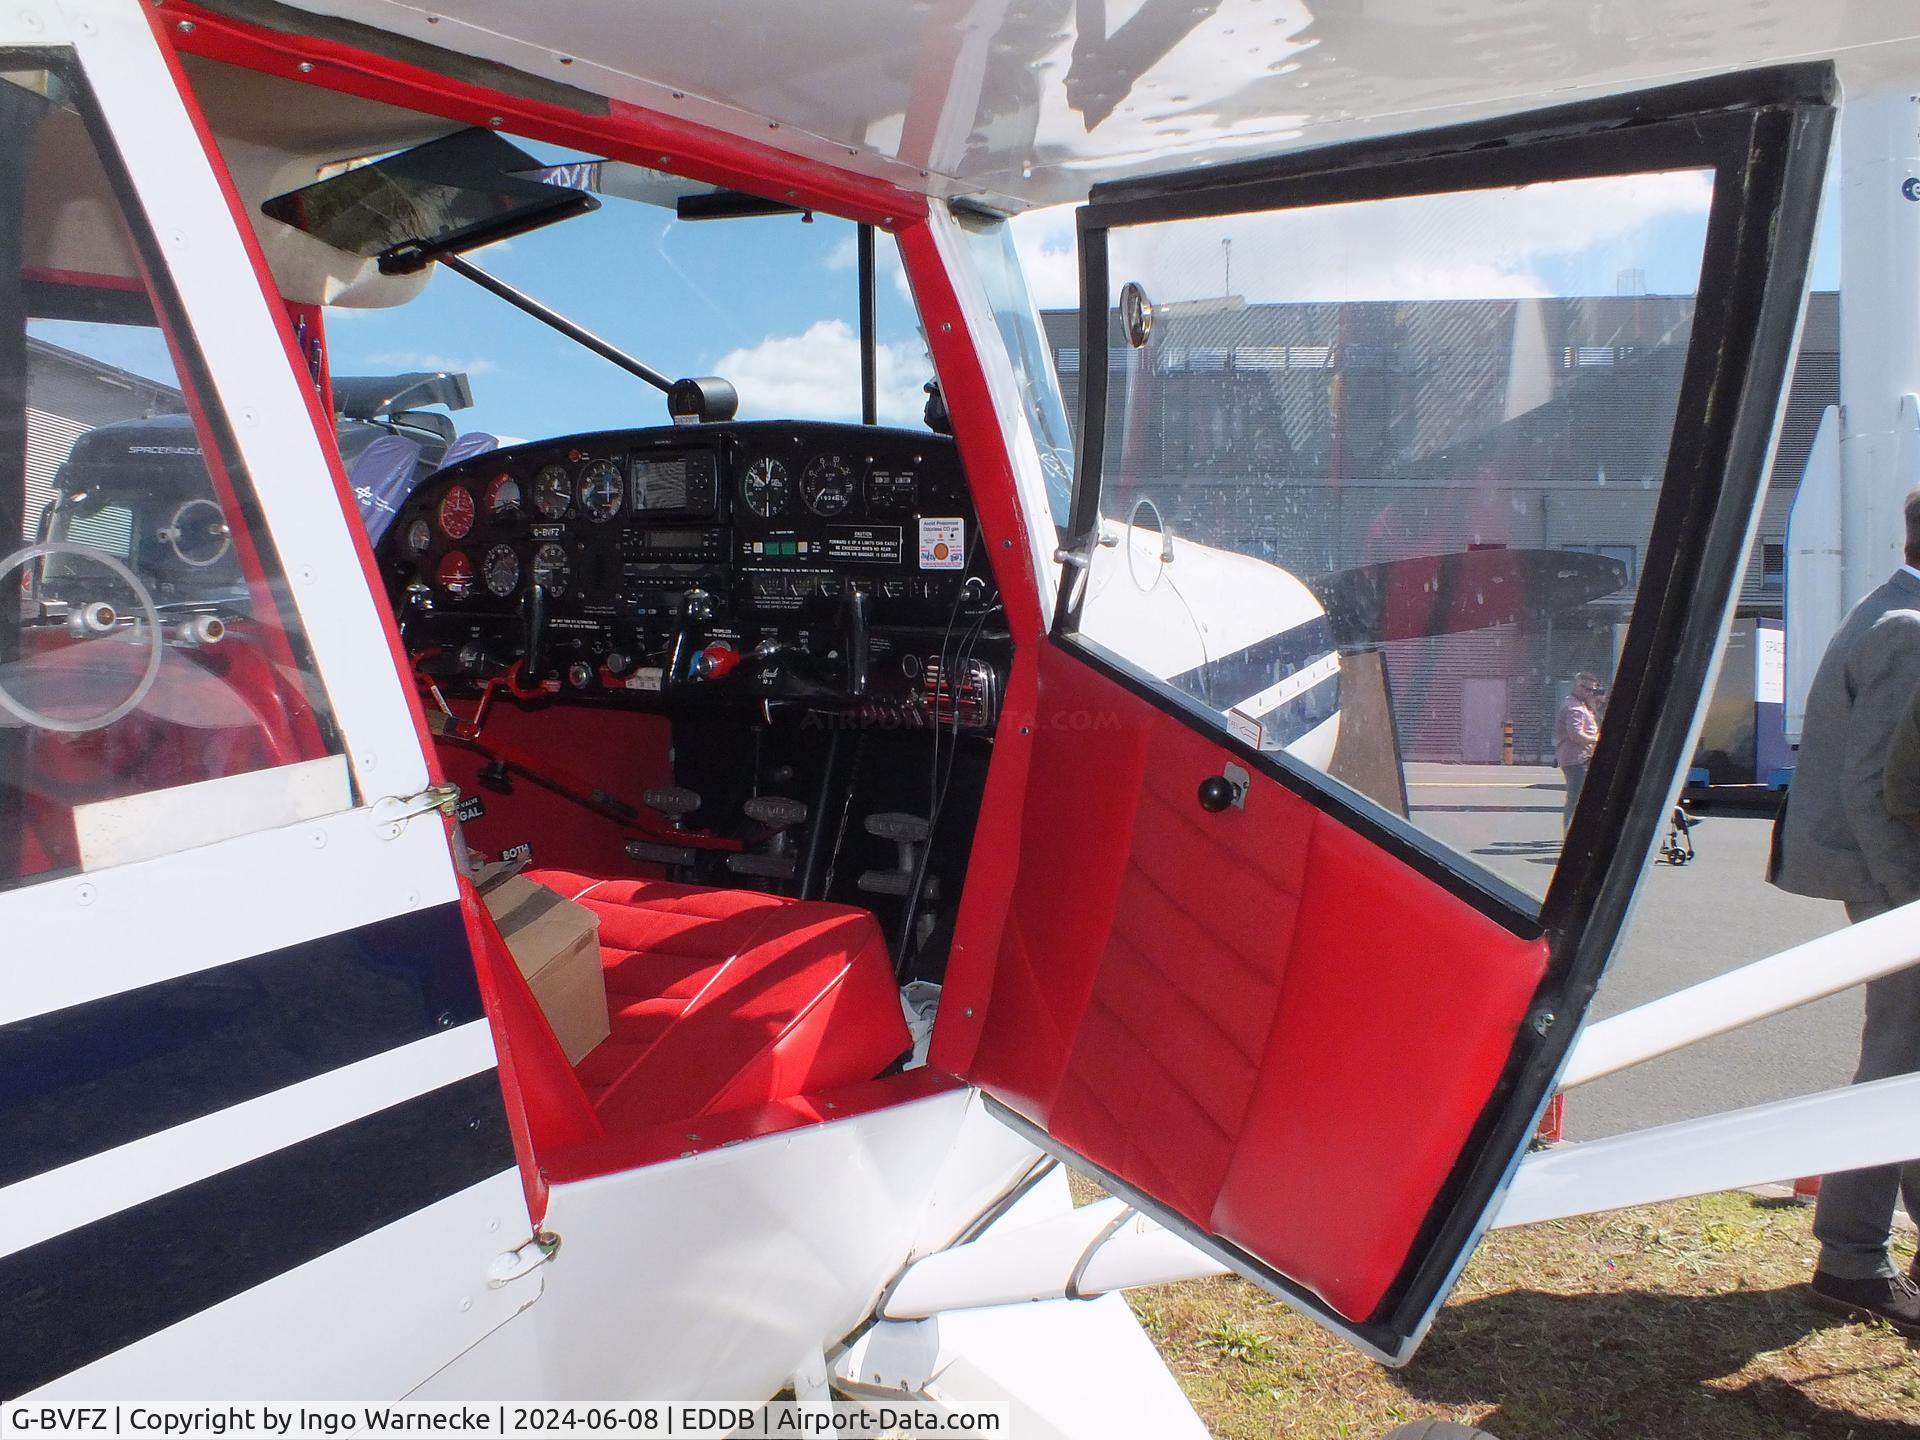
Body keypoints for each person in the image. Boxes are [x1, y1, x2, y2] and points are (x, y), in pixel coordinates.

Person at [1772, 488, 1920, 1338]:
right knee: (1897, 1065)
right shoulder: (1910, 630)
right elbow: (1877, 791)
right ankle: (1851, 1261)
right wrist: (1912, 906)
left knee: (1909, 1061)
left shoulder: (1892, 607)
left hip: (1881, 872)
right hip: (1893, 878)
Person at [1554, 673, 1605, 832]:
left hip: (1582, 758)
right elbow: (1576, 735)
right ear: (1577, 685)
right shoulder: (1573, 707)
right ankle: (1569, 833)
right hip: (1576, 759)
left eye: (1592, 690)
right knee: (1575, 798)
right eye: (1585, 688)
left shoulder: (1583, 706)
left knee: (1581, 798)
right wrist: (1597, 740)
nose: (1589, 692)